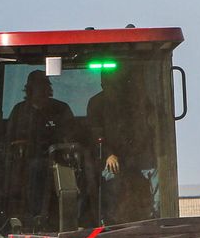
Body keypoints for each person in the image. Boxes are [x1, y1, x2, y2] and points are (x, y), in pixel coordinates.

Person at [86, 66, 159, 223]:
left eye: (116, 82)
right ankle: (110, 221)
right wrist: (108, 155)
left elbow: (147, 127)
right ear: (102, 83)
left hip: (136, 155)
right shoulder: (96, 103)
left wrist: (140, 150)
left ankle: (157, 217)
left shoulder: (133, 103)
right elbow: (95, 135)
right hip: (111, 158)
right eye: (109, 82)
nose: (113, 86)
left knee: (155, 174)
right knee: (111, 178)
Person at [8, 70, 76, 224]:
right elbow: (9, 139)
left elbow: (71, 135)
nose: (42, 90)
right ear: (30, 89)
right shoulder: (19, 112)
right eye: (38, 86)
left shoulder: (61, 109)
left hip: (61, 160)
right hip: (27, 162)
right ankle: (35, 218)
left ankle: (73, 219)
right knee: (35, 170)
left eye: (45, 85)